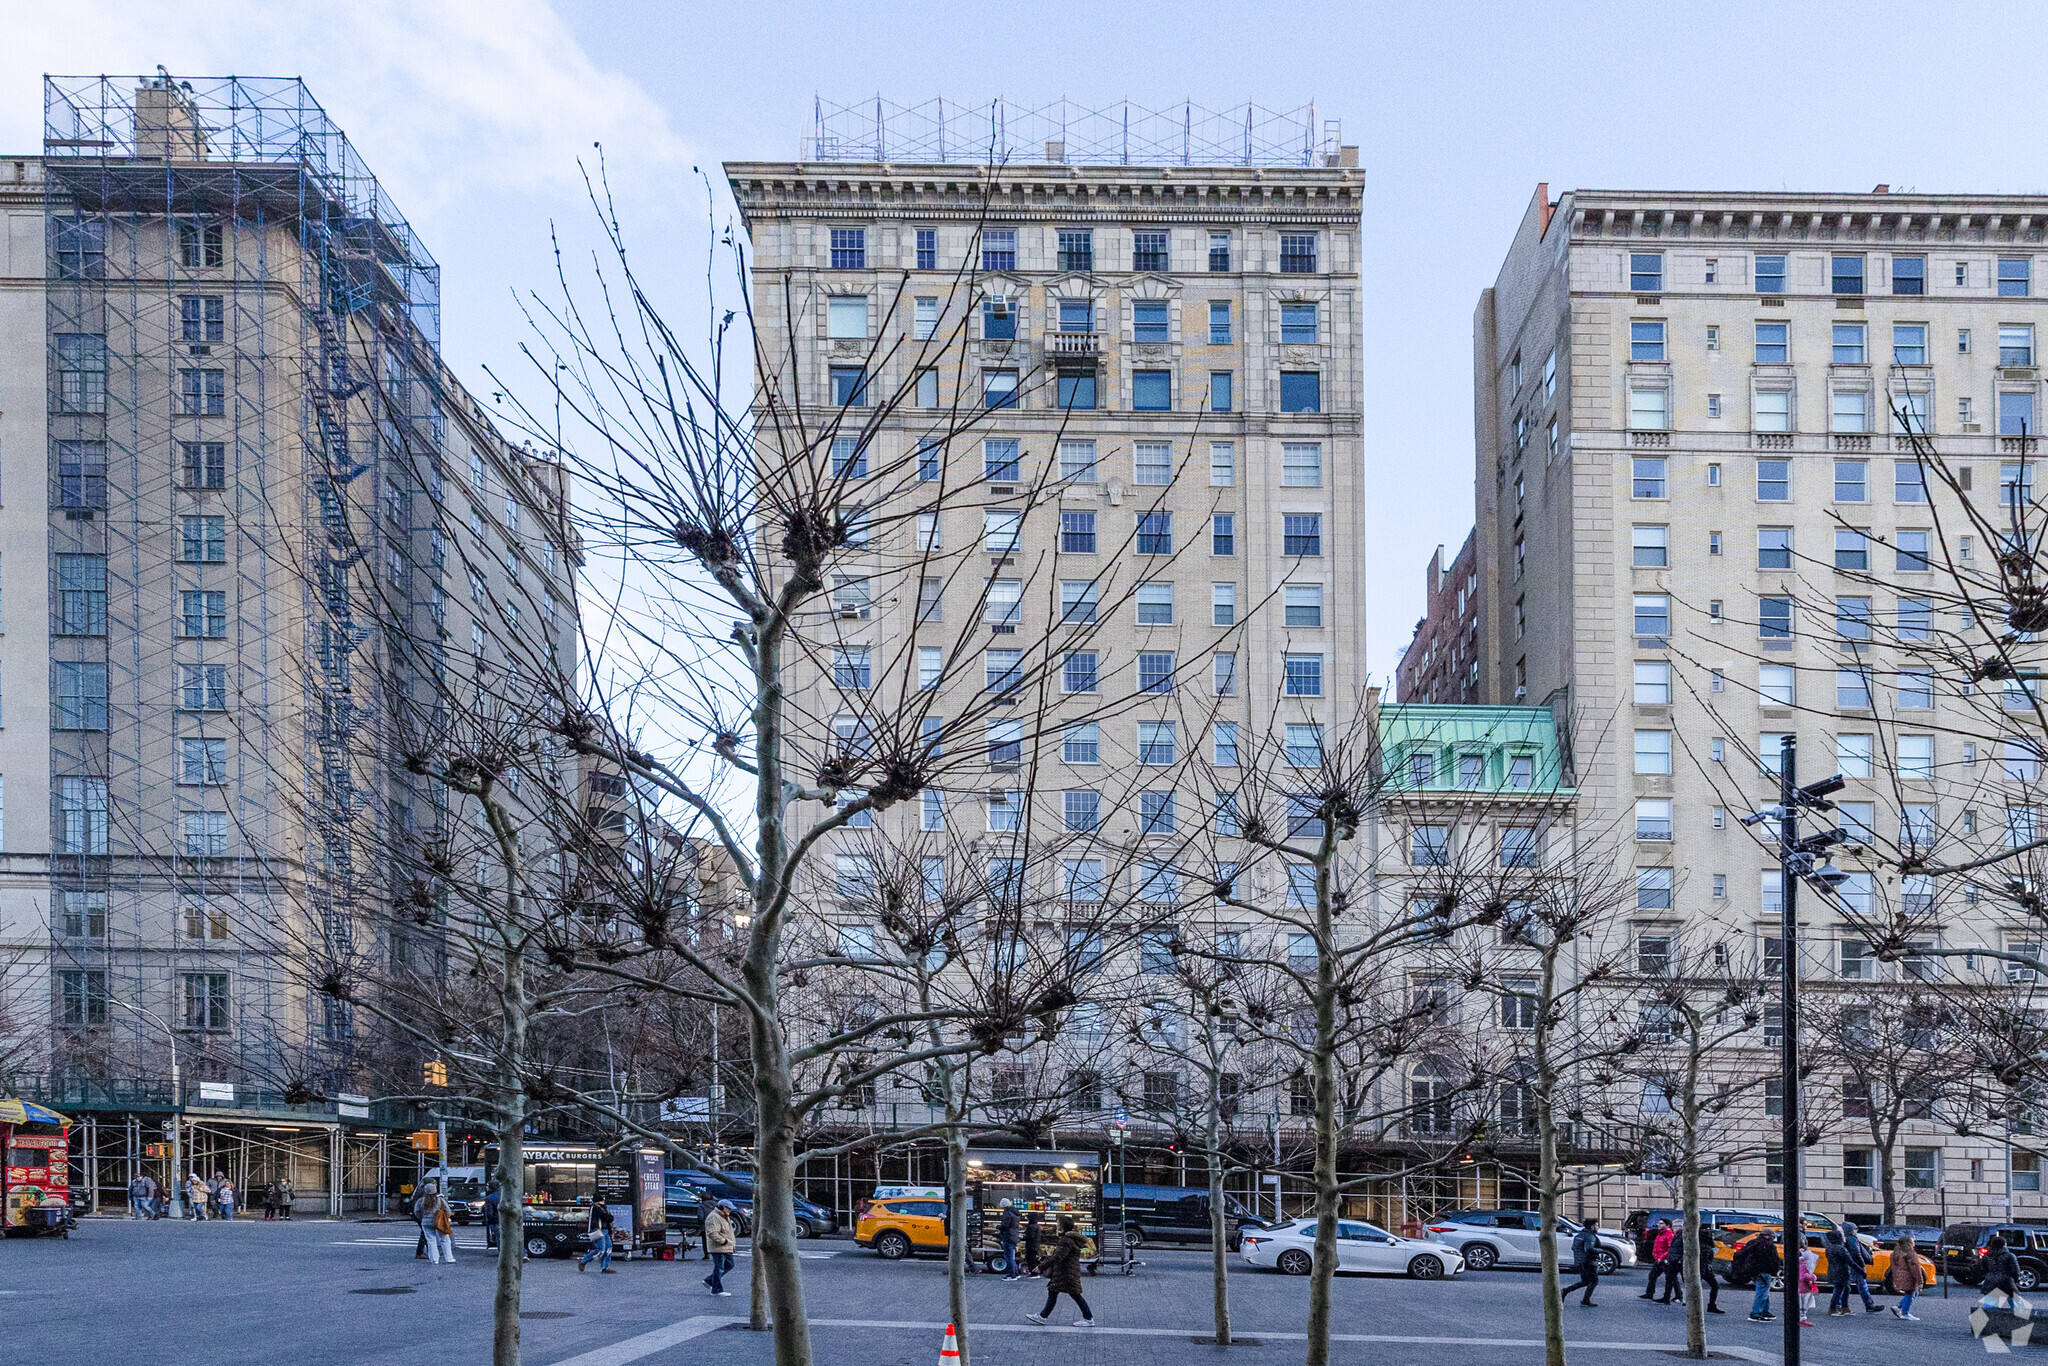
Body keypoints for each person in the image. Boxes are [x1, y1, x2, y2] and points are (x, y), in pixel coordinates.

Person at [1024, 1214, 1095, 1327]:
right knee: (1054, 1292)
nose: (1056, 1225)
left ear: (1062, 1226)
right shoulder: (1069, 1239)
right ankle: (1043, 1316)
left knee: (1075, 1294)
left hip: (1067, 1272)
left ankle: (1088, 1318)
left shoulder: (1066, 1240)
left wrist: (1041, 1267)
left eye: (1058, 1224)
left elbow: (1057, 1257)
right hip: (1066, 1271)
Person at [1734, 1233, 1781, 1322]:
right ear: (1769, 1237)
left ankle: (1764, 1311)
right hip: (1764, 1270)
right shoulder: (1768, 1246)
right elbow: (1773, 1259)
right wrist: (1775, 1270)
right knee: (1762, 1292)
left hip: (1753, 1271)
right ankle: (1756, 1313)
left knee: (1764, 1291)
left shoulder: (1752, 1243)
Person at [1559, 1218, 1603, 1307]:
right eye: (1597, 1225)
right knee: (1594, 1281)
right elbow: (1589, 1248)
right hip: (1588, 1262)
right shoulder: (1590, 1236)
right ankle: (1585, 1300)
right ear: (1592, 1226)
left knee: (1585, 1281)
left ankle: (1565, 1291)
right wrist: (1601, 1250)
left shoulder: (1580, 1234)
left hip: (1580, 1262)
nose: (1598, 1227)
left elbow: (1574, 1247)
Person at [1839, 1221, 1880, 1313]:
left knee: (1846, 1286)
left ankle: (1840, 1305)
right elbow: (1856, 1253)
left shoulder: (1847, 1239)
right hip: (1855, 1265)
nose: (1856, 1230)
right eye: (1855, 1229)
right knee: (1861, 1286)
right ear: (1851, 1230)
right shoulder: (1852, 1239)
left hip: (1851, 1265)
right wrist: (1861, 1265)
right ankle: (1869, 1305)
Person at [1979, 1234, 2022, 1312]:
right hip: (2007, 1283)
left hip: (1990, 1282)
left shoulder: (1987, 1256)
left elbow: (1982, 1269)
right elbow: (2016, 1271)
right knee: (2014, 1307)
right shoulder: (2010, 1256)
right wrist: (2014, 1281)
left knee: (1990, 1308)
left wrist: (1988, 1276)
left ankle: (1991, 1322)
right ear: (2004, 1244)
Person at [1888, 1234, 1925, 1321]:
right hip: (1909, 1277)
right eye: (1913, 1241)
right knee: (1911, 1293)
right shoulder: (1910, 1254)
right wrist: (1920, 1281)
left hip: (1899, 1276)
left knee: (1911, 1293)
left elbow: (1893, 1268)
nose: (1914, 1243)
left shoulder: (1894, 1254)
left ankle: (1899, 1307)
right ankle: (1905, 1312)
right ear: (1910, 1243)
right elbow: (1915, 1268)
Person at [418, 1180, 456, 1265]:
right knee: (445, 1240)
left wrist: (422, 1218)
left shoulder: (421, 1200)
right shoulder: (440, 1200)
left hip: (426, 1222)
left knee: (431, 1241)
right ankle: (449, 1258)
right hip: (439, 1222)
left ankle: (434, 1259)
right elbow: (448, 1211)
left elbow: (417, 1211)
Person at [703, 1201, 736, 1296]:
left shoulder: (724, 1217)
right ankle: (716, 1289)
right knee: (719, 1267)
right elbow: (712, 1233)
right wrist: (723, 1241)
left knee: (729, 1265)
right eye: (728, 1208)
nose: (730, 1210)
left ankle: (710, 1280)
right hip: (719, 1247)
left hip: (726, 1247)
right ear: (722, 1207)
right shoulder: (714, 1217)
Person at [579, 1199, 617, 1273]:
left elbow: (609, 1217)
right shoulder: (595, 1208)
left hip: (605, 1230)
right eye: (602, 1200)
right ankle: (584, 1260)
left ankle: (605, 1267)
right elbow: (605, 1216)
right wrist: (608, 1217)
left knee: (608, 1248)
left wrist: (608, 1217)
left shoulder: (604, 1208)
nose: (603, 1201)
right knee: (600, 1249)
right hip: (598, 1230)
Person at [1642, 1219, 1676, 1301]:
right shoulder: (1660, 1234)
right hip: (1658, 1259)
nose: (1659, 1225)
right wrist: (1656, 1256)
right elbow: (1657, 1247)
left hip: (1665, 1260)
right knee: (1652, 1276)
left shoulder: (1669, 1234)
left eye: (1661, 1223)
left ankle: (1677, 1295)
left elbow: (1670, 1248)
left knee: (1671, 1278)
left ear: (1667, 1225)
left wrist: (1662, 1257)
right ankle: (1649, 1293)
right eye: (1659, 1223)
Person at [1695, 1223, 1723, 1314]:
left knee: (1696, 1288)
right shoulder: (1707, 1245)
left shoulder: (1697, 1241)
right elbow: (1704, 1261)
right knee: (1714, 1286)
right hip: (1704, 1269)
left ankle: (1695, 1305)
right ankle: (1711, 1305)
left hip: (1699, 1268)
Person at [1656, 1224, 1686, 1305]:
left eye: (1676, 1226)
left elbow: (1681, 1249)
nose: (1674, 1228)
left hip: (1678, 1261)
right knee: (1670, 1279)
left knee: (1681, 1280)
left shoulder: (1682, 1236)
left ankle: (1681, 1298)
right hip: (1673, 1260)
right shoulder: (1676, 1235)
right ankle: (1667, 1297)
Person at [1797, 1240, 1820, 1326]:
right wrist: (1813, 1276)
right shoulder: (1803, 1263)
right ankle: (1801, 1319)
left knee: (1802, 1303)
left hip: (1800, 1286)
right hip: (1803, 1287)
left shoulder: (1797, 1262)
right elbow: (1803, 1276)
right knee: (1803, 1304)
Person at [998, 1200, 1021, 1281]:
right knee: (1012, 1256)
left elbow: (1005, 1226)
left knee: (1008, 1256)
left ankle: (1012, 1275)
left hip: (1008, 1236)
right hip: (1014, 1236)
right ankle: (1015, 1273)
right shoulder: (1015, 1213)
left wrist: (998, 1227)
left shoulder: (1007, 1213)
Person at [1023, 1209, 1043, 1278]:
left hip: (1031, 1245)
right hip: (1035, 1245)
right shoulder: (1036, 1226)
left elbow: (1030, 1236)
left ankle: (1034, 1273)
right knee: (1033, 1259)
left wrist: (1024, 1236)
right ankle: (1033, 1272)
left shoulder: (1032, 1227)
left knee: (1031, 1259)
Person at [484, 1182, 501, 1250]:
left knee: (499, 1238)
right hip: (506, 1220)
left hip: (496, 1221)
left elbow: (489, 1212)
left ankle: (502, 1254)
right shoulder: (505, 1195)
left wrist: (489, 1220)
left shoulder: (490, 1198)